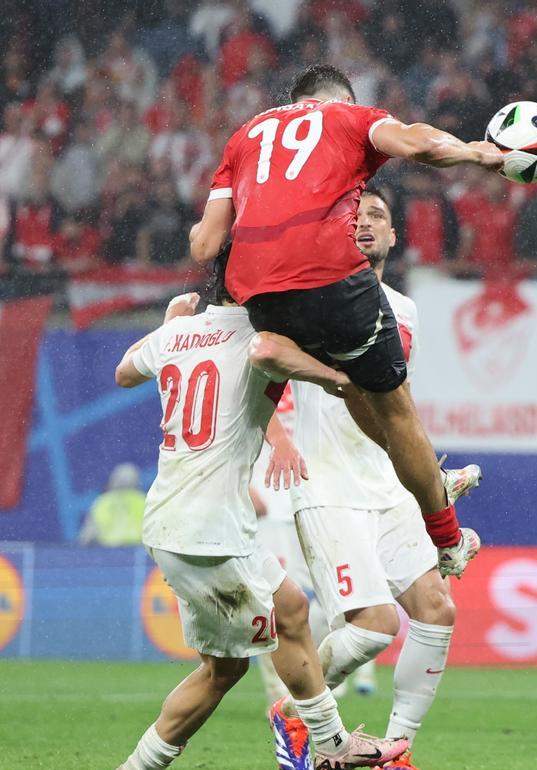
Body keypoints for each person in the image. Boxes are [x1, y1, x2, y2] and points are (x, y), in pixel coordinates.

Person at [105, 252, 406, 770]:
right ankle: (328, 744)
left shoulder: (184, 331)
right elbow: (265, 350)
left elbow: (124, 372)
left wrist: (172, 327)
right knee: (243, 655)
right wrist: (339, 379)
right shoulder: (259, 330)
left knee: (264, 632)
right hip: (209, 529)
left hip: (181, 518)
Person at [188, 64, 503, 579]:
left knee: (354, 386)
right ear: (339, 98)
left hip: (261, 296)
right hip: (330, 279)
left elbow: (204, 245)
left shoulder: (243, 138)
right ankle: (446, 538)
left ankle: (428, 480)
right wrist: (476, 152)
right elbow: (419, 144)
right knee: (396, 408)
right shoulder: (347, 117)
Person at [272, 188, 481, 770]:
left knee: (437, 609)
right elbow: (267, 363)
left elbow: (396, 409)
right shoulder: (308, 294)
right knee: (373, 626)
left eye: (378, 218)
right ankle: (294, 716)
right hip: (329, 486)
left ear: (393, 238)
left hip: (389, 490)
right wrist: (278, 438)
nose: (364, 225)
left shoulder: (405, 310)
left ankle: (395, 755)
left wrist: (430, 484)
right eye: (354, 216)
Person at [78, 463, 145, 546]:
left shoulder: (102, 502)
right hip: (136, 551)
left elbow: (86, 536)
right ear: (137, 481)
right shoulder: (144, 501)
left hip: (109, 552)